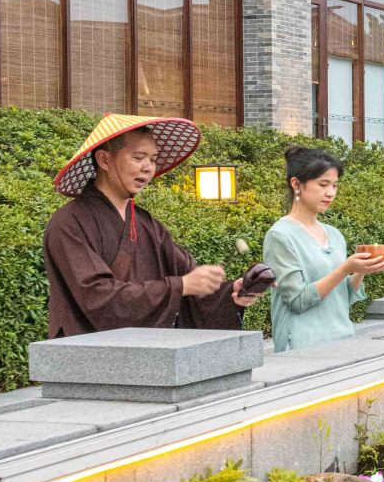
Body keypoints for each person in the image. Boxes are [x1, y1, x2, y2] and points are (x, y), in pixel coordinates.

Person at [43, 113, 264, 339]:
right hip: (86, 356)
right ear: (104, 160)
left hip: (146, 353)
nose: (148, 168)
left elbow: (189, 279)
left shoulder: (146, 224)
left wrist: (232, 293)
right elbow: (96, 296)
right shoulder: (69, 223)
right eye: (139, 157)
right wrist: (180, 286)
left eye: (153, 159)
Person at [263, 147, 384, 354]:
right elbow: (297, 301)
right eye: (323, 184)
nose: (331, 193)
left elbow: (342, 298)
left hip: (341, 340)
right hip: (301, 346)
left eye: (335, 185)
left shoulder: (334, 234)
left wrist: (361, 270)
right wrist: (344, 269)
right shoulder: (280, 236)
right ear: (296, 184)